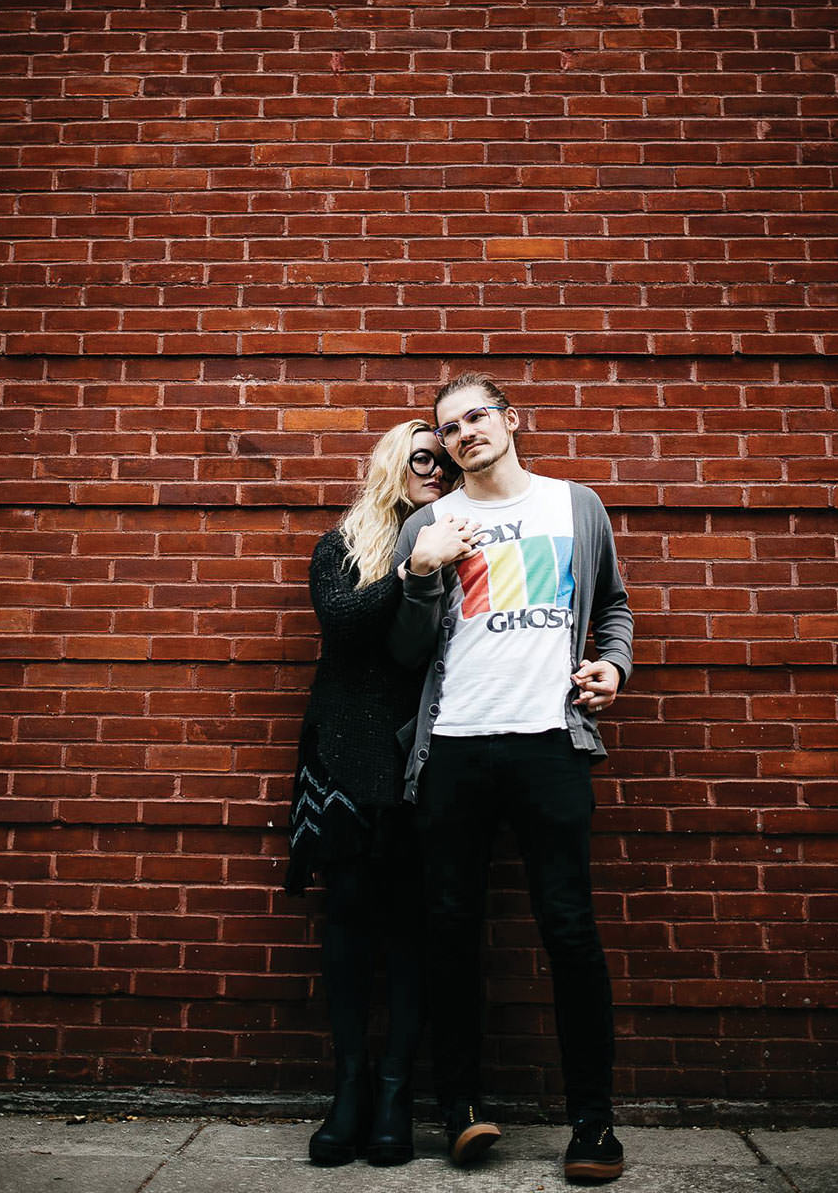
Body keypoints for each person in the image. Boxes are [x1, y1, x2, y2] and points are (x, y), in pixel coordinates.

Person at [390, 373, 635, 1184]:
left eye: (477, 416)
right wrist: (420, 572)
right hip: (453, 748)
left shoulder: (577, 507)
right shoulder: (429, 522)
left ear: (511, 419)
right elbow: (405, 652)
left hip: (548, 744)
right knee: (450, 932)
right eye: (448, 427)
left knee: (569, 930)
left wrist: (613, 667)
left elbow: (614, 608)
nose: (464, 433)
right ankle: (460, 1110)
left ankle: (593, 1125)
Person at [286, 420, 471, 1166]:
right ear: (395, 465)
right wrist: (410, 568)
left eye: (445, 463)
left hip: (425, 752)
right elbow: (342, 625)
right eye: (423, 458)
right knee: (349, 919)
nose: (437, 471)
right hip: (344, 751)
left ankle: (395, 1094)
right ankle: (350, 1091)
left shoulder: (465, 538)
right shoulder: (342, 546)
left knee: (411, 927)